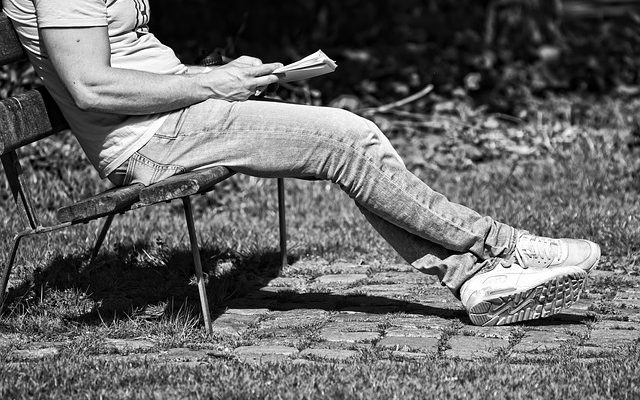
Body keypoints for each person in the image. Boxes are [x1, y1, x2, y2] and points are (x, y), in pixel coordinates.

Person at [2, 0, 600, 327]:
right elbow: (91, 88)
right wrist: (212, 83)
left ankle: (476, 277)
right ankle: (501, 247)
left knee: (348, 143)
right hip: (155, 140)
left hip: (178, 116)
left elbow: (140, 63)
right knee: (348, 139)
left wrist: (225, 75)